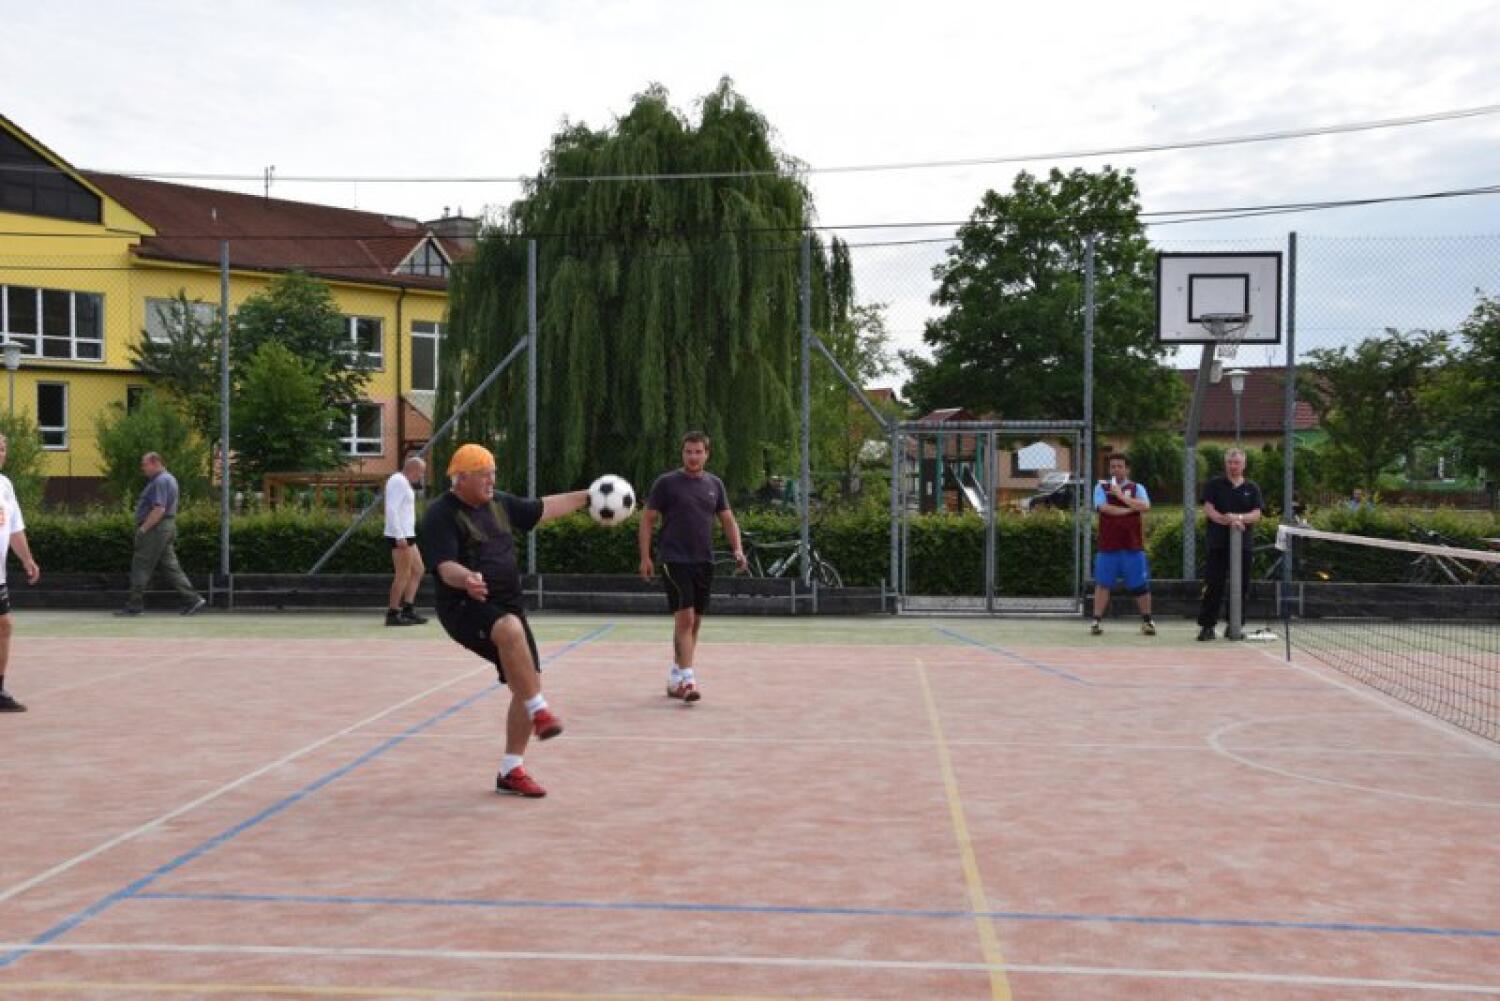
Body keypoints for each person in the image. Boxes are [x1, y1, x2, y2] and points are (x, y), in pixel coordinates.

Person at [422, 443, 590, 798]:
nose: (491, 481)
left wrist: (589, 495)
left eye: (493, 474)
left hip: (508, 603)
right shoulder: (440, 514)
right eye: (484, 475)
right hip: (465, 605)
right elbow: (444, 566)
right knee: (511, 633)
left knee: (528, 682)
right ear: (461, 478)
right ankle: (540, 713)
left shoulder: (499, 503)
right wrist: (467, 578)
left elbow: (542, 508)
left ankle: (511, 770)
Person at [638, 431, 747, 703]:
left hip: (703, 561)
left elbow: (728, 519)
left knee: (694, 622)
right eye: (688, 451)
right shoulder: (666, 483)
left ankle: (676, 677)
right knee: (685, 619)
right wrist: (645, 557)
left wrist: (737, 549)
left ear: (707, 454)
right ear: (682, 453)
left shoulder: (715, 485)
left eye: (698, 452)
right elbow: (648, 520)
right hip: (674, 559)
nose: (693, 456)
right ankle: (688, 680)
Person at [116, 452, 206, 617]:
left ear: (155, 463)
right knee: (170, 566)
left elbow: (159, 509)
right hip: (164, 527)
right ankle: (192, 599)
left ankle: (135, 605)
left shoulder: (160, 481)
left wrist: (143, 529)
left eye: (144, 464)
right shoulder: (167, 479)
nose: (142, 468)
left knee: (141, 564)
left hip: (155, 528)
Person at [1197, 448, 1264, 641]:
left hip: (1243, 545)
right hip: (1218, 543)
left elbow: (1256, 514)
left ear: (1244, 465)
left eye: (1237, 463)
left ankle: (1234, 625)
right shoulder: (1214, 485)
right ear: (1225, 464)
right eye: (1230, 462)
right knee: (1213, 585)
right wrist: (1227, 521)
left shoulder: (1252, 488)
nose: (1233, 466)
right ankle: (1207, 626)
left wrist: (1238, 518)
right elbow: (1209, 509)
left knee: (1241, 586)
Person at [1089, 453, 1156, 636]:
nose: (1116, 469)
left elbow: (1145, 506)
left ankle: (1148, 621)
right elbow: (1104, 508)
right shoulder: (1101, 487)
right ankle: (1096, 621)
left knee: (1140, 585)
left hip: (1132, 545)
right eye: (1113, 466)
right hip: (1108, 545)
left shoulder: (1137, 488)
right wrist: (1130, 509)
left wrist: (1121, 496)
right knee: (1103, 583)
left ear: (1127, 469)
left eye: (1120, 466)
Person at [0, 434, 41, 713]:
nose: (1, 452)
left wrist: (27, 559)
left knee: (4, 626)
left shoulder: (5, 485)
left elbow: (14, 528)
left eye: (3, 448)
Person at [383, 456, 428, 627]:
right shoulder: (398, 481)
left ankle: (408, 609)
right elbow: (392, 509)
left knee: (418, 570)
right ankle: (393, 613)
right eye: (421, 472)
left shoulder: (403, 482)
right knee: (403, 574)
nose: (421, 476)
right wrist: (399, 535)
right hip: (401, 536)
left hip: (407, 534)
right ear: (412, 469)